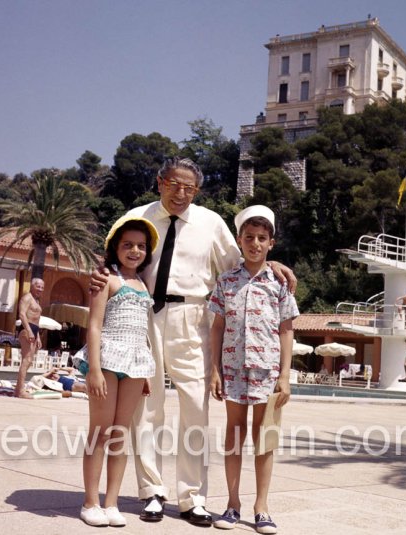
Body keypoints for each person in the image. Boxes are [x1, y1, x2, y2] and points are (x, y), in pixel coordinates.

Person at [89, 157, 297, 526]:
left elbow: (243, 262)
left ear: (197, 191)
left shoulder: (211, 223)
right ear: (159, 181)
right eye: (174, 184)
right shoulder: (138, 215)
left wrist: (275, 263)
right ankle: (151, 491)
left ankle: (192, 497)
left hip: (195, 317)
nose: (181, 193)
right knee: (146, 409)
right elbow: (116, 255)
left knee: (194, 408)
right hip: (145, 315)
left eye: (189, 188)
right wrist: (99, 273)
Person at [209, 206, 298, 534]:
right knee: (234, 434)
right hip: (232, 370)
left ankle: (262, 507)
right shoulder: (227, 280)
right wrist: (214, 370)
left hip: (267, 373)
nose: (255, 243)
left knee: (264, 438)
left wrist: (285, 376)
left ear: (271, 243)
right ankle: (232, 504)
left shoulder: (279, 283)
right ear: (239, 240)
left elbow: (287, 330)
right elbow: (216, 328)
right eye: (249, 237)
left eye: (262, 238)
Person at [74, 215, 159, 527]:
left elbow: (143, 330)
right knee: (100, 431)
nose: (134, 250)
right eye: (127, 245)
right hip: (107, 360)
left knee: (121, 433)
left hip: (136, 364)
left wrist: (146, 371)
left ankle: (111, 503)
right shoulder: (106, 280)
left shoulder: (144, 283)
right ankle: (90, 502)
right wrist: (94, 370)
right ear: (115, 248)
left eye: (140, 246)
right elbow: (94, 326)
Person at [15, 278, 44, 398]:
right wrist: (29, 330)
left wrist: (38, 336)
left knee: (28, 361)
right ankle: (20, 391)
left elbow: (36, 320)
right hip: (26, 329)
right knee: (26, 360)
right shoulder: (27, 298)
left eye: (42, 287)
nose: (40, 289)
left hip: (33, 330)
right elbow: (22, 314)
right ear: (32, 286)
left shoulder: (36, 301)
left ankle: (18, 388)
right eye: (38, 286)